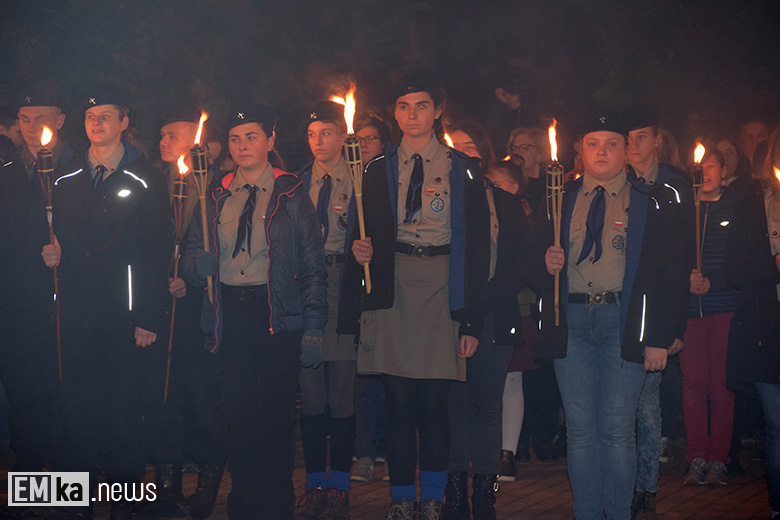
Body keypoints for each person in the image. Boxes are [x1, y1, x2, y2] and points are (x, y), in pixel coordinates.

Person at [345, 72, 489, 519]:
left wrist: (471, 319)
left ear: (438, 109)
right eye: (404, 106)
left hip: (443, 286)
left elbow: (479, 249)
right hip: (394, 287)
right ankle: (403, 499)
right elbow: (360, 232)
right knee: (398, 403)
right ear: (394, 112)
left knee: (434, 405)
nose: (412, 115)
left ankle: (434, 498)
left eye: (421, 106)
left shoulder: (463, 169)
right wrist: (359, 249)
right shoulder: (373, 168)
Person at [182, 103, 327, 520]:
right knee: (239, 415)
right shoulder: (214, 193)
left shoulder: (292, 192)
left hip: (276, 314)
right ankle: (243, 504)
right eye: (235, 139)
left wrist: (314, 327)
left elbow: (313, 265)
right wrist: (197, 267)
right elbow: (191, 255)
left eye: (251, 137)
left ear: (270, 141)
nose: (243, 146)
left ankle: (276, 505)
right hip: (231, 315)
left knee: (275, 416)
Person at [539, 111, 686, 520]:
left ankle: (619, 512)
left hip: (623, 322)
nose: (601, 152)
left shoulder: (649, 200)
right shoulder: (559, 196)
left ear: (626, 150)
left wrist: (662, 333)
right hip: (571, 321)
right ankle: (587, 512)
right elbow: (530, 262)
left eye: (611, 144)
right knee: (581, 430)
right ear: (581, 151)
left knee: (617, 429)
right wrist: (545, 262)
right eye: (592, 144)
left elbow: (671, 271)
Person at [44, 87, 172, 520]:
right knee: (77, 414)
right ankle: (69, 506)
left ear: (123, 122)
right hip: (78, 316)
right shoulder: (66, 178)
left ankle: (126, 509)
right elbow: (58, 237)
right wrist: (53, 252)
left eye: (106, 116)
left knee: (123, 417)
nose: (96, 123)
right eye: (91, 116)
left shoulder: (145, 177)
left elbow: (157, 249)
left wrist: (149, 316)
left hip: (125, 317)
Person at [136, 108, 228, 520]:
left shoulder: (218, 190)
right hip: (166, 314)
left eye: (172, 134)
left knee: (205, 405)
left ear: (201, 142)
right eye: (161, 133)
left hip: (205, 315)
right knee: (166, 402)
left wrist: (191, 279)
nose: (162, 140)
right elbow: (145, 250)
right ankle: (166, 492)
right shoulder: (157, 185)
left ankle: (206, 492)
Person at [444, 122, 529, 520]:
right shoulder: (440, 203)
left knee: (485, 406)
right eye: (454, 149)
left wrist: (477, 314)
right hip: (447, 316)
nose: (464, 155)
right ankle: (455, 494)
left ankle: (485, 494)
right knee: (452, 405)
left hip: (494, 317)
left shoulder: (505, 204)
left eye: (470, 148)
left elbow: (516, 268)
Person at [0, 88, 76, 518]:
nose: (32, 128)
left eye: (41, 119)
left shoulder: (78, 169)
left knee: (64, 394)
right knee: (25, 395)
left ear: (60, 120)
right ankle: (31, 490)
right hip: (19, 303)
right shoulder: (8, 170)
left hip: (69, 303)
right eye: (25, 119)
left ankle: (66, 492)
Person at [624, 106, 693, 520]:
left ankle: (645, 489)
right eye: (627, 138)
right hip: (619, 311)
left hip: (652, 315)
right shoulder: (614, 184)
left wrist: (672, 327)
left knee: (647, 405)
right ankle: (620, 481)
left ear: (657, 141)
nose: (633, 146)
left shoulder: (674, 187)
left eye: (641, 138)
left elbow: (678, 261)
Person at [293, 100, 356, 520]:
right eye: (312, 134)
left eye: (327, 133)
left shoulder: (362, 181)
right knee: (311, 395)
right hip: (309, 291)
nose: (318, 142)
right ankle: (315, 480)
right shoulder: (295, 184)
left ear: (343, 135)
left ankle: (341, 485)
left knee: (342, 396)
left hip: (346, 287)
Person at [679, 147, 746, 487]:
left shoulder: (733, 209)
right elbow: (672, 258)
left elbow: (738, 260)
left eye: (710, 166)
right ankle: (696, 456)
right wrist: (686, 279)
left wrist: (713, 281)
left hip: (722, 309)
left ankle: (719, 458)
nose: (704, 172)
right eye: (699, 166)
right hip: (690, 312)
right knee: (693, 387)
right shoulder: (683, 211)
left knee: (721, 388)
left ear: (723, 171)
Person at [351, 115, 392, 483]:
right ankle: (363, 451)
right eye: (358, 139)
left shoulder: (389, 180)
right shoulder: (349, 180)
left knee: (388, 378)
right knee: (363, 378)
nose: (363, 145)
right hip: (356, 291)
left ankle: (388, 449)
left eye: (371, 139)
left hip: (387, 288)